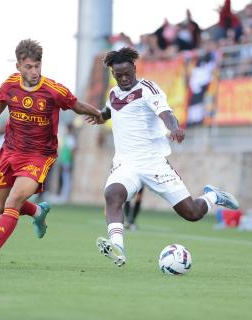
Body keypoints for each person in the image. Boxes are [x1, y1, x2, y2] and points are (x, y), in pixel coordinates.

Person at [85, 47, 240, 267]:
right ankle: (118, 247)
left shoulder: (147, 89)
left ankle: (213, 197)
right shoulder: (113, 94)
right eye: (119, 76)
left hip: (153, 163)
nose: (124, 79)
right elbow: (110, 109)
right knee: (112, 194)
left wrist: (174, 128)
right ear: (113, 75)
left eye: (127, 73)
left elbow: (165, 112)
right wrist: (101, 117)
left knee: (192, 213)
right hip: (126, 163)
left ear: (134, 69)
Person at [0, 39, 102, 268]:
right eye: (29, 66)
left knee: (14, 200)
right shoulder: (10, 85)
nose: (34, 71)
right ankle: (38, 212)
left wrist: (98, 113)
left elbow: (76, 104)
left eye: (37, 65)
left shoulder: (53, 90)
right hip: (10, 152)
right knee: (2, 207)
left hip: (39, 156)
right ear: (19, 66)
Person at [58, 123, 77, 203]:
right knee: (65, 178)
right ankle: (64, 195)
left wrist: (70, 160)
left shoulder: (70, 138)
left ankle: (65, 196)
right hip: (65, 161)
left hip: (67, 161)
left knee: (66, 179)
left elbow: (72, 150)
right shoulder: (68, 137)